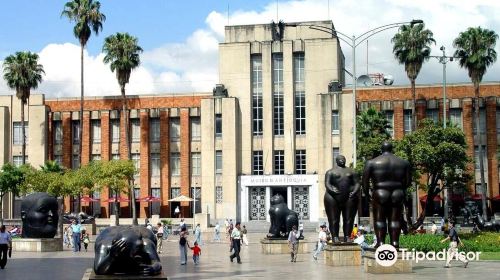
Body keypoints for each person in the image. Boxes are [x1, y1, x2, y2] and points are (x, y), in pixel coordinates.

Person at [94, 226, 162, 275]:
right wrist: (111, 256)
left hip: (144, 233)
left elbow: (157, 263)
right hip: (108, 234)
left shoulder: (145, 243)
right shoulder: (104, 245)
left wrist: (154, 268)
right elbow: (98, 270)